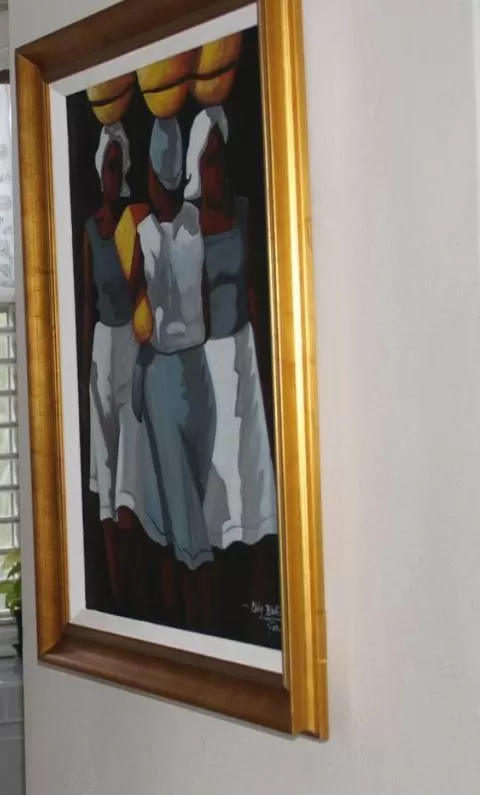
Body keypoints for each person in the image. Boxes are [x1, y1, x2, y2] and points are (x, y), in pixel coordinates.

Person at [129, 117, 217, 624]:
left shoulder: (182, 224)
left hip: (192, 371)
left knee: (192, 504)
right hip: (167, 374)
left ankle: (189, 624)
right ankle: (192, 625)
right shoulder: (150, 230)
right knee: (183, 516)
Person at [186, 106, 277, 551]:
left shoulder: (242, 211)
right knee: (220, 461)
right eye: (210, 160)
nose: (218, 170)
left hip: (244, 349)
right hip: (209, 356)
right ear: (196, 166)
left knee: (249, 457)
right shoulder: (189, 225)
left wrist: (264, 352)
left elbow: (254, 288)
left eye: (222, 158)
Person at [81, 123, 138, 602]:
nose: (112, 177)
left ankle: (135, 585)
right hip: (102, 343)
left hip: (131, 345)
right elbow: (86, 299)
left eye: (119, 168)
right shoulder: (89, 230)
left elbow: (142, 290)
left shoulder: (133, 226)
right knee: (104, 461)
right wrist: (83, 364)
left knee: (131, 466)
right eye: (107, 167)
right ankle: (116, 587)